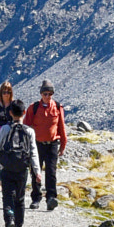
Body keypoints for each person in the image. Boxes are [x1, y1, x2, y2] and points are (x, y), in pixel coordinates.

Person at [0, 98, 36, 227]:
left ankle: (9, 219)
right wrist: (37, 172)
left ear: (10, 113)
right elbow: (33, 152)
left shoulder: (5, 129)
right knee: (20, 198)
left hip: (7, 168)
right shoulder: (29, 131)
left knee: (7, 196)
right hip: (22, 169)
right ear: (24, 113)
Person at [26, 78, 69, 212]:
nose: (47, 96)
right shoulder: (33, 108)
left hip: (52, 144)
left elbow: (61, 126)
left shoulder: (57, 107)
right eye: (45, 94)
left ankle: (51, 198)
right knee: (35, 171)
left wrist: (63, 144)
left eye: (50, 94)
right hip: (37, 144)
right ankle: (36, 198)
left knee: (51, 172)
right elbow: (26, 127)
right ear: (41, 94)